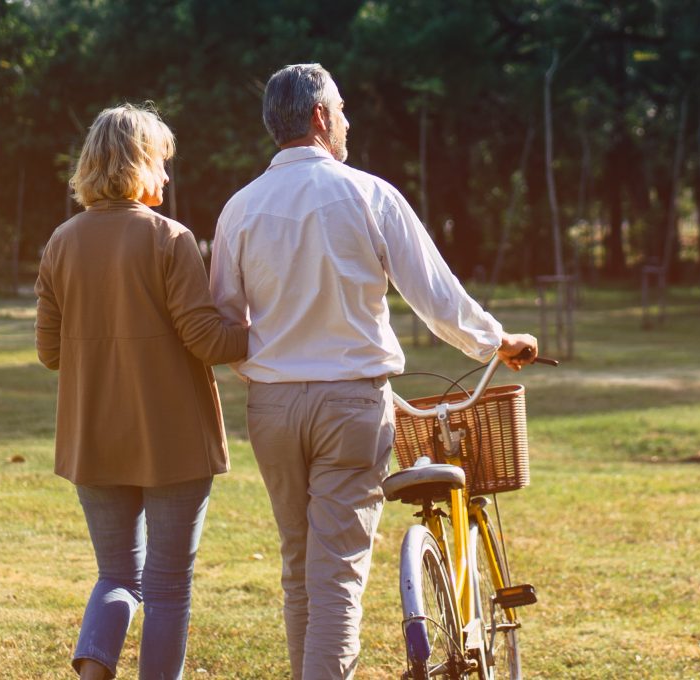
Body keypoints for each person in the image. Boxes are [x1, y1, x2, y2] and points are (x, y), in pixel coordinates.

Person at [209, 63, 538, 680]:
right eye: (342, 108)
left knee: (299, 565)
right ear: (318, 117)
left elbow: (227, 320)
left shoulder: (240, 208)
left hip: (272, 410)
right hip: (350, 406)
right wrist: (497, 342)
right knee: (336, 574)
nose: (348, 120)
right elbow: (438, 300)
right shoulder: (368, 194)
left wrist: (268, 363)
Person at [36, 103, 248, 680]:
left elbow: (50, 353)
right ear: (138, 163)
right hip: (173, 440)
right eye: (161, 161)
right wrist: (263, 328)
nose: (168, 176)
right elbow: (207, 340)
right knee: (168, 585)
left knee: (117, 577)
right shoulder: (170, 239)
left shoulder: (60, 242)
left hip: (94, 440)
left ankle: (92, 674)